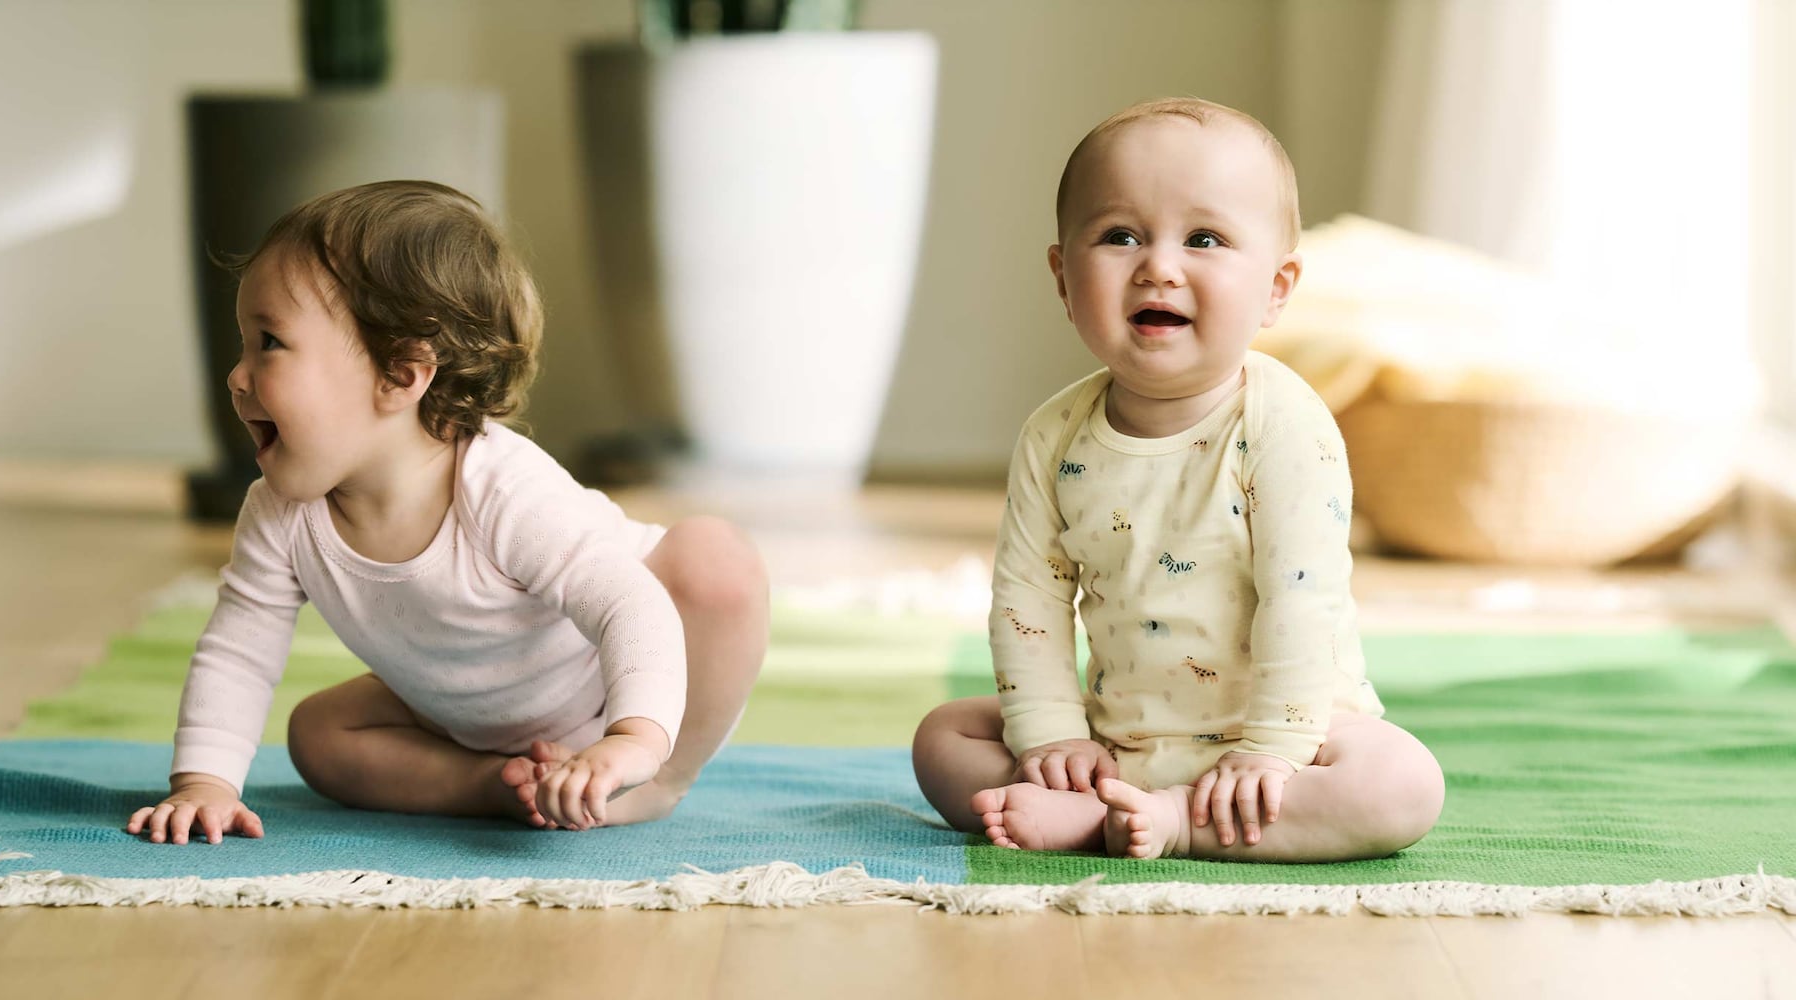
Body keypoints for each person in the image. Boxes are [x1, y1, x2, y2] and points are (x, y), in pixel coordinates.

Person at [126, 180, 767, 844]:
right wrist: (205, 784)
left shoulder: (499, 486)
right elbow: (238, 650)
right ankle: (492, 787)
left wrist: (634, 738)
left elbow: (631, 606)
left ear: (401, 374)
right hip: (463, 715)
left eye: (269, 343)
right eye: (243, 345)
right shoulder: (279, 513)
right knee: (318, 735)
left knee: (715, 562)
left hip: (615, 680)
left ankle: (657, 786)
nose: (236, 375)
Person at [911, 100, 1444, 861]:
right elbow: (1027, 597)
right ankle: (1105, 807)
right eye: (1120, 236)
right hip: (1112, 737)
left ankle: (1172, 822)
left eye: (1204, 239)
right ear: (1064, 278)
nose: (1158, 265)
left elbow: (1303, 596)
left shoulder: (1285, 423)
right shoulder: (1052, 435)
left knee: (1401, 783)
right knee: (943, 738)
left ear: (1276, 288)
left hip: (1277, 744)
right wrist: (1053, 737)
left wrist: (1270, 749)